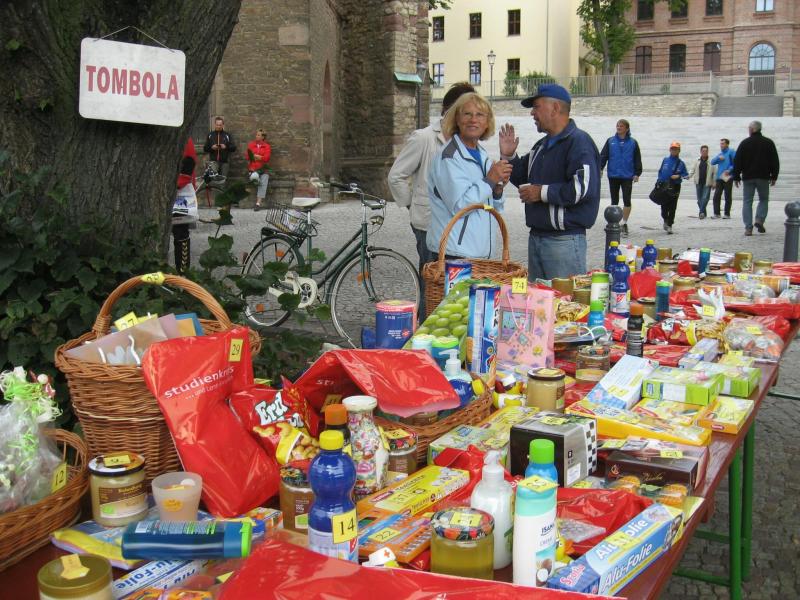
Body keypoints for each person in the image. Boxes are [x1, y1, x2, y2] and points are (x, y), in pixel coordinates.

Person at [499, 84, 600, 280]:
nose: (532, 113)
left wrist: (541, 192)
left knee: (563, 298)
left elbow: (583, 188)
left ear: (555, 108)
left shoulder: (579, 141)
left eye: (536, 107)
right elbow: (523, 178)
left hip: (564, 242)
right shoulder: (541, 145)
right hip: (537, 238)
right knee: (539, 298)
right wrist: (509, 156)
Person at [388, 82, 475, 273]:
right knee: (431, 279)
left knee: (457, 282)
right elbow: (396, 176)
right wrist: (412, 206)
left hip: (459, 226)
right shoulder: (424, 138)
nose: (470, 117)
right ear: (449, 109)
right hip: (429, 224)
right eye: (466, 111)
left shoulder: (467, 141)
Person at [426, 92, 511, 259]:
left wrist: (497, 190)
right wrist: (490, 180)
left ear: (487, 123)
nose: (473, 119)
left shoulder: (482, 155)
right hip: (453, 254)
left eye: (480, 115)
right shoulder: (449, 158)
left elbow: (492, 209)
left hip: (478, 253)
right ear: (457, 119)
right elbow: (460, 207)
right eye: (467, 114)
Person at [732, 120, 780, 236]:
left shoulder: (745, 143)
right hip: (763, 176)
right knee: (763, 199)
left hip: (748, 177)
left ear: (752, 129)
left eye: (749, 128)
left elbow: (738, 160)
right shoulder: (768, 143)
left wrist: (736, 176)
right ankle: (759, 219)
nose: (748, 130)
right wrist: (774, 176)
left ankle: (748, 228)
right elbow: (774, 160)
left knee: (747, 201)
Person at [599, 119, 642, 236]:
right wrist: (600, 168)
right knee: (614, 200)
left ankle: (624, 223)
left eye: (621, 126)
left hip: (627, 175)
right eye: (617, 125)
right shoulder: (610, 141)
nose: (618, 127)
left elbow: (637, 159)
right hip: (613, 174)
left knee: (627, 200)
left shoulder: (633, 143)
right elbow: (603, 156)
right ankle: (614, 222)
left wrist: (637, 173)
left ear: (627, 128)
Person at [655, 141, 689, 234]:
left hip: (675, 186)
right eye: (672, 149)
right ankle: (665, 220)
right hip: (664, 186)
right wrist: (658, 181)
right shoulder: (665, 160)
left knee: (673, 206)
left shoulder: (681, 163)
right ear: (670, 150)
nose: (674, 150)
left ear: (679, 151)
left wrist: (678, 176)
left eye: (676, 149)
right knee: (663, 206)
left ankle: (670, 225)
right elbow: (660, 171)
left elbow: (686, 175)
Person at [710, 138, 736, 219]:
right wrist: (718, 158)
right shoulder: (720, 154)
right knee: (716, 196)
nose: (721, 145)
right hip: (719, 178)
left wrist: (730, 170)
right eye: (720, 144)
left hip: (728, 177)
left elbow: (736, 163)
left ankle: (727, 214)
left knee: (727, 196)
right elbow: (712, 162)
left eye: (723, 143)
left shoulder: (731, 152)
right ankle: (717, 213)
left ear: (727, 144)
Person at [247, 129, 272, 211]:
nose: (256, 136)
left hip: (263, 169)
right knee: (254, 177)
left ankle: (258, 204)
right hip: (253, 169)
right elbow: (247, 156)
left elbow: (267, 158)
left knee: (264, 180)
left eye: (258, 135)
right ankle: (256, 181)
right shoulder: (251, 145)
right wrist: (255, 157)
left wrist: (260, 157)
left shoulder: (267, 146)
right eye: (256, 135)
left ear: (263, 137)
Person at [689, 145, 717, 219]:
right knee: (699, 200)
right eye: (703, 151)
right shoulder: (697, 160)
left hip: (707, 182)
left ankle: (701, 212)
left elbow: (715, 173)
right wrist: (688, 176)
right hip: (698, 182)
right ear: (700, 152)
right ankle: (704, 213)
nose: (704, 152)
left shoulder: (711, 161)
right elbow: (692, 170)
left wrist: (714, 182)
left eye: (706, 151)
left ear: (708, 152)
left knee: (705, 198)